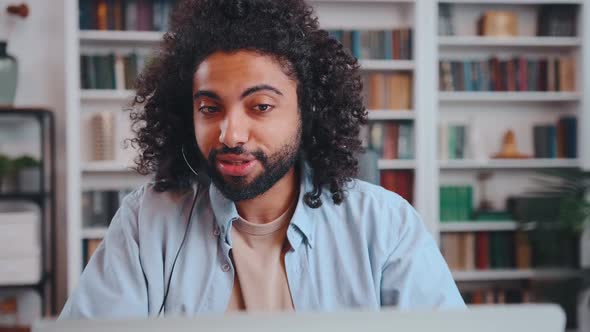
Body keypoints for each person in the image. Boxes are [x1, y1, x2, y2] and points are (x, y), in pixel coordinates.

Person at [60, 0, 465, 318]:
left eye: (261, 106)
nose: (230, 134)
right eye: (209, 108)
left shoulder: (385, 224)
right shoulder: (146, 220)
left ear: (307, 110)